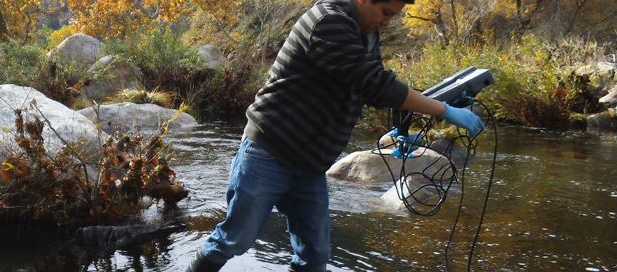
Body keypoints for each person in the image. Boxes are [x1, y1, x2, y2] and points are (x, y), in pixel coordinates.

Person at [186, 0, 485, 271]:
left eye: (393, 16)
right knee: (235, 240)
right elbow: (374, 83)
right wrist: (442, 109)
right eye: (386, 13)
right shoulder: (327, 21)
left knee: (315, 256)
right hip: (270, 152)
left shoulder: (366, 30)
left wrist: (421, 113)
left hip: (311, 165)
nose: (388, 22)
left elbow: (372, 85)